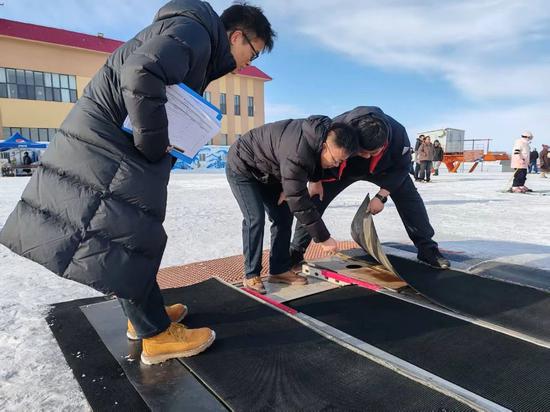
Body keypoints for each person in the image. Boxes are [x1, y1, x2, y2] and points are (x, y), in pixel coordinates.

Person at [0, 0, 275, 365]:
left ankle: (147, 318)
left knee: (130, 234)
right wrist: (155, 141)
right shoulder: (195, 32)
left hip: (112, 147)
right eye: (252, 52)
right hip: (110, 149)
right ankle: (155, 336)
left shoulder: (191, 34)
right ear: (237, 36)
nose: (248, 63)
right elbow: (142, 72)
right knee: (128, 236)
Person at [290, 106, 450, 270]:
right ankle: (296, 251)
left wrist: (382, 195)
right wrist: (315, 179)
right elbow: (316, 151)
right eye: (362, 152)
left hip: (383, 170)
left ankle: (427, 249)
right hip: (343, 168)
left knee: (410, 198)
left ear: (385, 143)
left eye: (372, 152)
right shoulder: (337, 127)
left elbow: (402, 167)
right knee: (315, 200)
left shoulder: (398, 134)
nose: (366, 156)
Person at [226, 118, 358, 294]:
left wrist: (305, 182)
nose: (336, 165)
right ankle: (251, 274)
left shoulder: (317, 137)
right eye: (335, 160)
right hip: (243, 166)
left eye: (340, 162)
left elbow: (306, 168)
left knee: (283, 215)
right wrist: (323, 237)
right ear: (325, 146)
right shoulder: (298, 151)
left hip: (271, 171)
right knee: (255, 218)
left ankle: (279, 270)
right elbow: (299, 201)